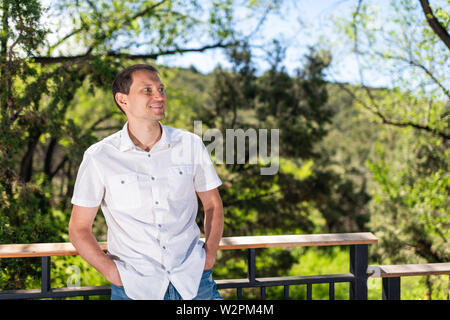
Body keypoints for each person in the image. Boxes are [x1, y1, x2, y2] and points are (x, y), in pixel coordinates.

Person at [68, 64, 224, 300]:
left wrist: (209, 255)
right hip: (135, 289)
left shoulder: (190, 145)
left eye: (161, 89)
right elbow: (79, 229)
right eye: (147, 90)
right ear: (123, 100)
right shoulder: (99, 156)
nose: (159, 96)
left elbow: (212, 204)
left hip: (194, 283)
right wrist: (113, 272)